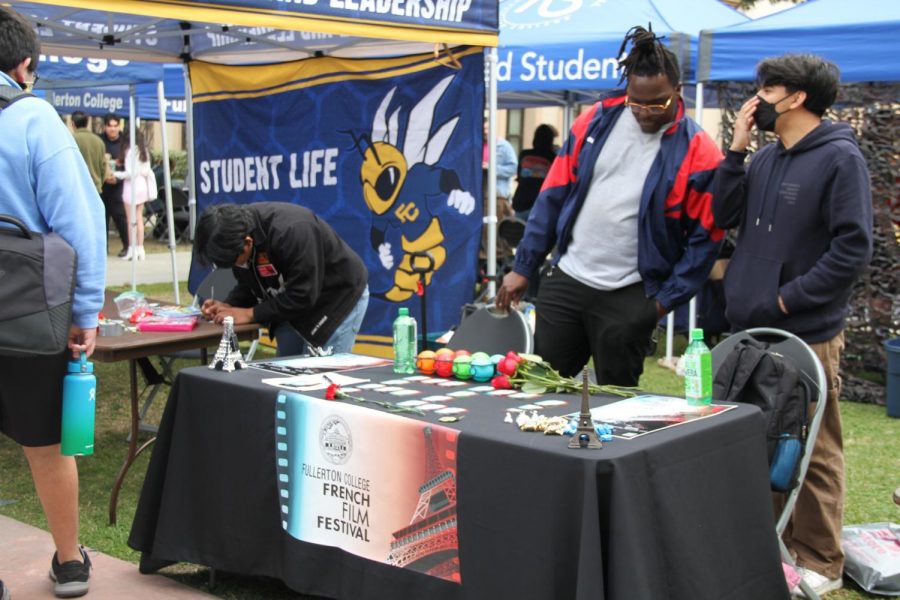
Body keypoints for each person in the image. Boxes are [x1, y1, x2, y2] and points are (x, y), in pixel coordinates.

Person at [713, 54, 873, 598]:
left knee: (814, 446)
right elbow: (722, 214)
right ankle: (774, 547)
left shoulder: (839, 158)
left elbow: (853, 247)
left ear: (797, 96)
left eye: (766, 87)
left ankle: (822, 562)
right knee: (760, 440)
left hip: (806, 329)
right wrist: (735, 149)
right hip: (749, 325)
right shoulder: (762, 158)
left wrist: (786, 301)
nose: (755, 97)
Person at [495, 26, 724, 386]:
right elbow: (552, 196)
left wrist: (660, 304)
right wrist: (525, 266)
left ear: (678, 92)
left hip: (632, 294)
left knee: (615, 405)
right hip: (568, 279)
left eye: (658, 103)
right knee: (538, 391)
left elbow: (705, 241)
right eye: (637, 102)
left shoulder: (701, 152)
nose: (645, 113)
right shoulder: (596, 119)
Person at [0, 6, 106, 598]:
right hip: (28, 311)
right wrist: (85, 314)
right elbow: (81, 224)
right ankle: (69, 562)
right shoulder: (33, 118)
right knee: (45, 445)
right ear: (25, 65)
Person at [195, 202, 369, 357]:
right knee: (284, 371)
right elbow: (249, 282)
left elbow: (303, 294)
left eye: (232, 262)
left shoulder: (292, 230)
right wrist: (231, 305)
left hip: (336, 297)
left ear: (247, 243)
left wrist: (250, 314)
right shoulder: (234, 233)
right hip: (290, 303)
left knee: (322, 377)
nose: (234, 266)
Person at [114, 130, 155, 260]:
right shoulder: (144, 151)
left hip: (131, 185)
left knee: (130, 220)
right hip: (142, 184)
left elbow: (130, 173)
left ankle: (131, 250)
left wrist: (116, 174)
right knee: (139, 218)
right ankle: (140, 248)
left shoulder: (130, 151)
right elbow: (145, 169)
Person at [481, 121, 518, 262]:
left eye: (487, 128)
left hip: (498, 196)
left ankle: (502, 260)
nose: (485, 132)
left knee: (497, 233)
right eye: (482, 129)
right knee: (484, 233)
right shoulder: (477, 145)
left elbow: (513, 169)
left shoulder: (504, 146)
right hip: (481, 195)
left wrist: (490, 168)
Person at [511, 123, 558, 220]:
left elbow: (520, 176)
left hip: (521, 200)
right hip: (541, 203)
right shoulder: (553, 158)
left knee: (520, 232)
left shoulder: (524, 154)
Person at [99, 114, 129, 258]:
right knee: (101, 219)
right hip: (102, 186)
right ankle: (102, 249)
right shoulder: (100, 141)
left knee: (121, 217)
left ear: (119, 126)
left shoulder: (125, 142)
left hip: (120, 186)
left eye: (115, 126)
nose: (112, 129)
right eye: (109, 126)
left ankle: (127, 246)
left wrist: (117, 178)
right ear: (105, 127)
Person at [70, 111, 105, 195]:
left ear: (73, 124)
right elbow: (103, 167)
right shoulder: (99, 141)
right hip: (95, 188)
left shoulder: (70, 140)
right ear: (87, 123)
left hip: (77, 189)